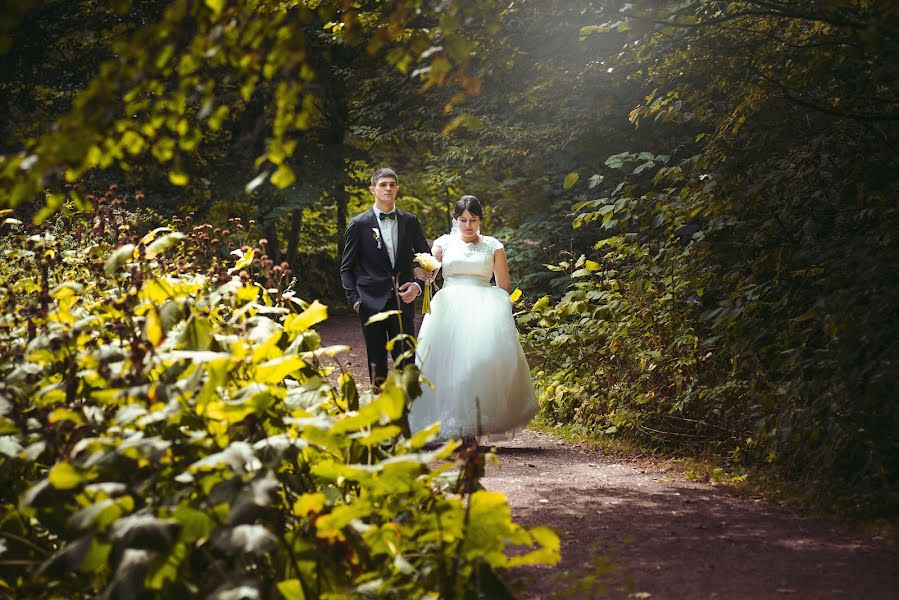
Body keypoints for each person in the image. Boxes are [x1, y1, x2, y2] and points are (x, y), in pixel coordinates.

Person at [408, 195, 537, 442]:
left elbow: (503, 285)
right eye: (463, 220)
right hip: (449, 307)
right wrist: (423, 273)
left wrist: (498, 310)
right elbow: (430, 272)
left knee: (478, 363)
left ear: (480, 220)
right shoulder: (443, 244)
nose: (468, 225)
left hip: (482, 307)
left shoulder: (493, 246)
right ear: (456, 219)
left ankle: (474, 422)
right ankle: (449, 422)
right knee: (446, 364)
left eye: (473, 220)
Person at [340, 167, 432, 387]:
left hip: (404, 300)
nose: (388, 188)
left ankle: (409, 411)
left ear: (397, 189)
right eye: (383, 184)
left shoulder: (410, 221)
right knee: (377, 362)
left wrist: (418, 286)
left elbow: (426, 258)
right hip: (370, 303)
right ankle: (381, 414)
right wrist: (355, 301)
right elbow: (346, 268)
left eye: (392, 184)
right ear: (373, 189)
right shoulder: (359, 224)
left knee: (406, 359)